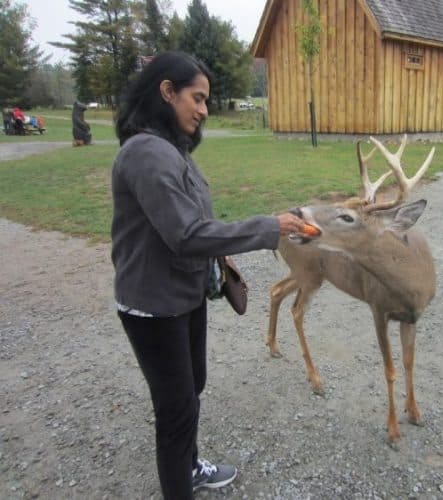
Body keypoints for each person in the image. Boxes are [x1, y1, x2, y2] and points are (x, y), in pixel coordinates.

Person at [111, 51, 306, 499]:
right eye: (196, 98)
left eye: (206, 100)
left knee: (192, 387)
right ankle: (179, 485)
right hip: (152, 306)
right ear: (166, 91)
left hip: (183, 296)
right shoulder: (146, 153)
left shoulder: (170, 149)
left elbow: (196, 221)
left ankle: (190, 466)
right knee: (176, 410)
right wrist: (269, 227)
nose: (203, 109)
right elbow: (186, 234)